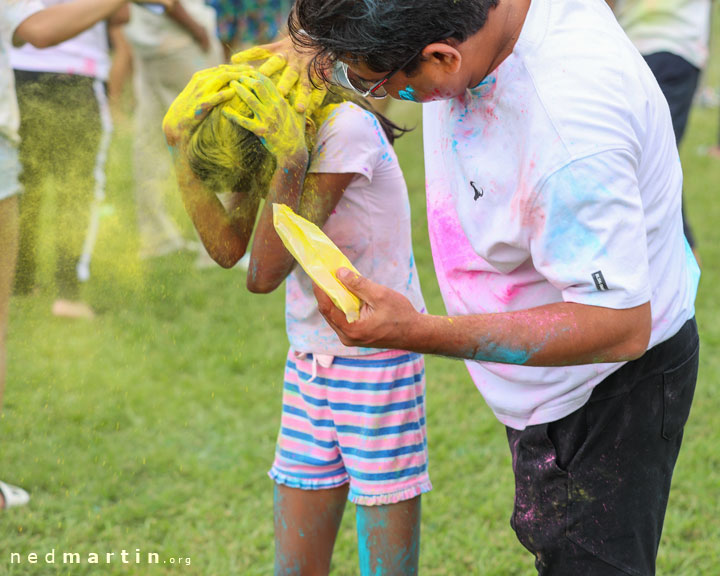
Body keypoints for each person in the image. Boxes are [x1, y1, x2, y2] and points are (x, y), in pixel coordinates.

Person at [284, 0, 702, 574]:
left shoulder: (571, 130)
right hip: (551, 381)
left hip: (605, 392)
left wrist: (418, 331)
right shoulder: (476, 25)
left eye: (383, 84)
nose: (377, 95)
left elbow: (618, 325)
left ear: (441, 56)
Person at [163, 61, 430, 575]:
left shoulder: (343, 132)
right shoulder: (272, 130)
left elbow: (263, 273)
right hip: (310, 361)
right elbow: (227, 248)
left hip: (375, 361)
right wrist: (177, 143)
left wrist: (289, 162)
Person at [0, 0, 173, 510]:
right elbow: (39, 29)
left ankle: (34, 280)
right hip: (65, 79)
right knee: (77, 191)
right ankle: (65, 292)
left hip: (30, 80)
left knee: (38, 193)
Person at [11, 0, 127, 319]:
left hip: (19, 73)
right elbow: (122, 14)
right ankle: (68, 293)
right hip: (77, 75)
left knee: (24, 185)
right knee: (77, 190)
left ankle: (21, 280)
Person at [608, 0, 712, 261]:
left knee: (650, 157)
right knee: (653, 155)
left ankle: (683, 253)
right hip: (677, 50)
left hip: (640, 46)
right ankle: (681, 252)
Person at [124, 0, 223, 260]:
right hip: (180, 38)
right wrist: (196, 28)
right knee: (210, 138)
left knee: (150, 141)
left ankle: (157, 238)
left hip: (149, 43)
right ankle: (216, 246)